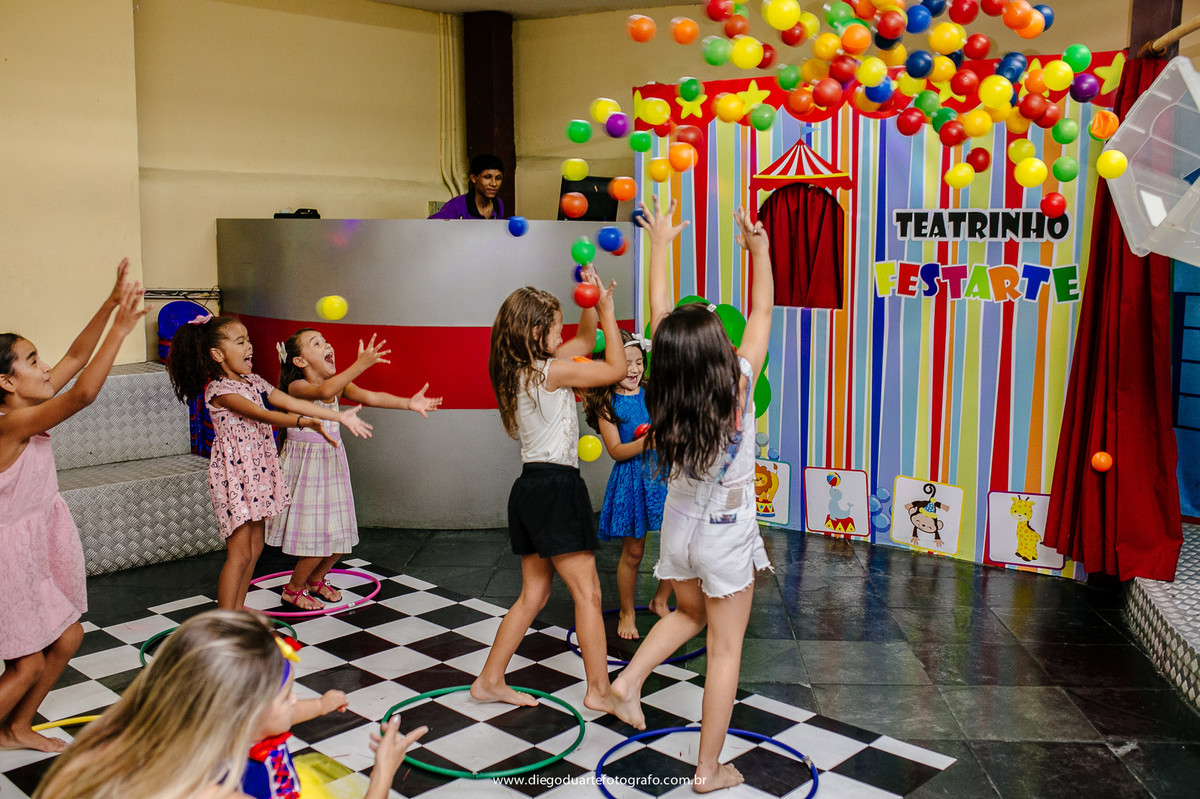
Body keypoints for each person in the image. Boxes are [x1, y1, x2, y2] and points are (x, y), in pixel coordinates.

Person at [610, 200, 774, 794]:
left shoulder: (664, 383)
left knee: (688, 613)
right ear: (718, 351)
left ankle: (627, 683)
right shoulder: (739, 383)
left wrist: (660, 244)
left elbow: (660, 314)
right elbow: (761, 309)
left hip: (677, 525)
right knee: (724, 651)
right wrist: (759, 251)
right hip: (726, 534)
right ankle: (708, 769)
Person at [34, 610, 426, 799]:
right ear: (241, 716)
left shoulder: (99, 753)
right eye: (285, 697)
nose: (294, 702)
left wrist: (321, 704)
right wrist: (382, 775)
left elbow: (288, 715)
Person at [0, 261, 148, 753]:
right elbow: (83, 392)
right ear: (7, 381)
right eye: (32, 360)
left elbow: (78, 357)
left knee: (66, 638)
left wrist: (110, 303)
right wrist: (122, 328)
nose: (46, 366)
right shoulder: (8, 425)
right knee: (26, 664)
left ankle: (16, 729)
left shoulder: (27, 408)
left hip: (35, 544)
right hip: (8, 556)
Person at [471, 268, 626, 713]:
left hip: (530, 488)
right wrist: (608, 310)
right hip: (556, 488)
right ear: (537, 333)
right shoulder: (551, 372)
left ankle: (489, 680)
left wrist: (589, 299)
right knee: (589, 594)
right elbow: (615, 368)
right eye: (556, 327)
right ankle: (599, 691)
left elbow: (586, 340)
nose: (563, 334)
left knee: (534, 595)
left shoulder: (526, 370)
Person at [165, 316, 372, 611]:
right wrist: (306, 422)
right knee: (239, 554)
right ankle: (226, 621)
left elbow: (287, 401)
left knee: (254, 549)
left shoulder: (254, 381)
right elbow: (265, 414)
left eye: (248, 340)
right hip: (236, 477)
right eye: (240, 342)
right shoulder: (221, 391)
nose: (249, 346)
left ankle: (238, 611)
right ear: (217, 354)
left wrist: (335, 416)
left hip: (259, 473)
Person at [267, 330, 442, 610]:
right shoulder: (297, 387)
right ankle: (294, 588)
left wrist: (408, 403)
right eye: (316, 344)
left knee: (340, 534)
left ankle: (316, 579)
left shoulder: (337, 385)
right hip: (308, 471)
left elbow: (372, 396)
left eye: (325, 341)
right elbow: (324, 392)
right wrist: (361, 364)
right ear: (299, 361)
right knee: (318, 536)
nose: (327, 345)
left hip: (331, 464)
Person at [582, 329, 671, 640]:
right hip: (632, 480)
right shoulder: (607, 403)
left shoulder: (652, 393)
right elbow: (616, 451)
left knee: (678, 546)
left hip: (663, 476)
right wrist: (649, 441)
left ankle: (660, 600)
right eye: (626, 363)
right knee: (633, 553)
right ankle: (627, 611)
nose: (633, 369)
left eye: (638, 362)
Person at [427, 154, 505, 220]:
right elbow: (430, 225)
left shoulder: (498, 204)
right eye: (487, 177)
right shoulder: (456, 205)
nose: (494, 183)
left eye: (498, 178)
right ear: (474, 178)